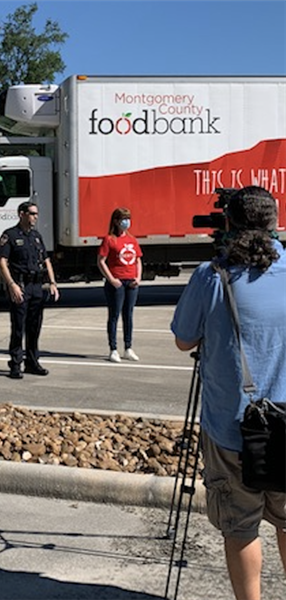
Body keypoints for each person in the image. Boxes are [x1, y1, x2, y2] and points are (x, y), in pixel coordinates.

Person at [171, 186, 286, 600]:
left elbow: (184, 340)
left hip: (232, 427)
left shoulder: (211, 276)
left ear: (228, 225)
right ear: (274, 223)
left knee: (241, 526)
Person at [0, 202, 59, 379]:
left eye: (36, 213)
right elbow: (2, 261)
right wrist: (11, 284)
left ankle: (32, 362)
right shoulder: (10, 235)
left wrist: (52, 282)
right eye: (32, 213)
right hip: (21, 286)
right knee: (18, 328)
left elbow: (46, 260)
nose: (35, 217)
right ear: (22, 214)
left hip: (37, 286)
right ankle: (15, 364)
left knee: (34, 327)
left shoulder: (36, 236)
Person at [97, 207, 143, 363]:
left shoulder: (132, 239)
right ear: (116, 221)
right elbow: (101, 261)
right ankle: (113, 349)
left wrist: (138, 277)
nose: (127, 222)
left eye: (128, 218)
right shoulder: (109, 239)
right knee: (114, 315)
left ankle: (128, 348)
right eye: (124, 219)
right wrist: (111, 279)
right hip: (116, 283)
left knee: (128, 315)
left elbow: (138, 259)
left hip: (131, 282)